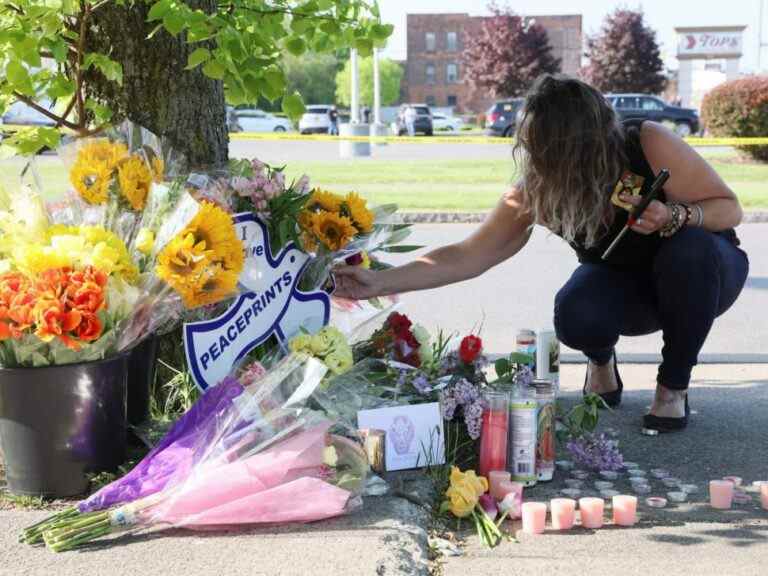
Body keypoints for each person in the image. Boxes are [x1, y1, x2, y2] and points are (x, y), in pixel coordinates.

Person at [334, 74, 749, 433]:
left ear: (587, 141)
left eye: (546, 150)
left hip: (703, 276)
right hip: (627, 286)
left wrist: (674, 215)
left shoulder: (646, 141)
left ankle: (672, 387)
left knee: (689, 252)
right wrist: (378, 282)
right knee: (574, 311)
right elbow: (468, 254)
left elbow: (729, 208)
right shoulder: (537, 189)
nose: (535, 161)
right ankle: (601, 363)